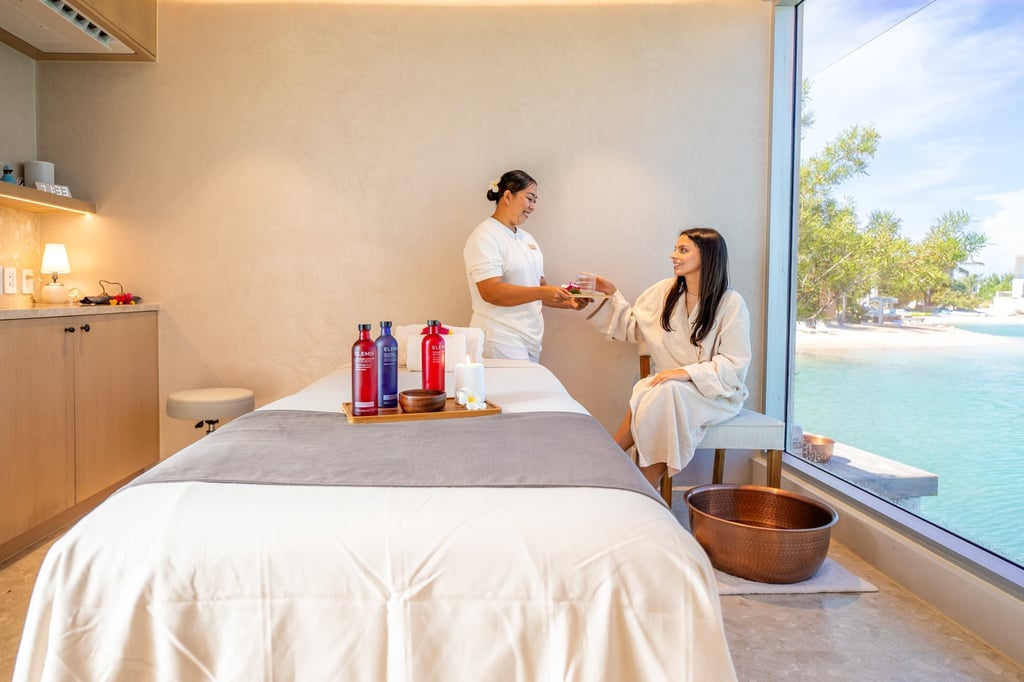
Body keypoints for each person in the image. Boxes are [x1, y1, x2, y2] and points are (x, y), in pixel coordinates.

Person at [583, 227, 751, 489]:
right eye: (675, 249)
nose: (674, 255)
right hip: (666, 387)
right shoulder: (664, 291)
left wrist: (685, 373)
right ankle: (632, 477)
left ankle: (626, 471)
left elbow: (734, 363)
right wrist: (610, 294)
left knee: (665, 390)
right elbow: (633, 326)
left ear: (707, 256)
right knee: (657, 389)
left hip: (715, 393)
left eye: (683, 250)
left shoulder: (731, 303)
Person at [463, 170, 587, 362]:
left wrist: (568, 302)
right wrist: (540, 292)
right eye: (529, 198)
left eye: (535, 200)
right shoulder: (485, 236)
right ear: (507, 196)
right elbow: (490, 292)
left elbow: (539, 286)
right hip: (500, 337)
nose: (533, 207)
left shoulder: (526, 239)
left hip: (530, 339)